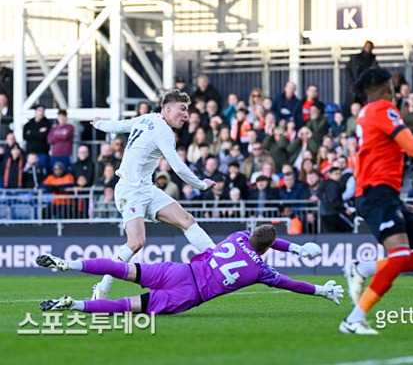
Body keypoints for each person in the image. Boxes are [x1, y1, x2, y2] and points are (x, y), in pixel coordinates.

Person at [338, 67, 413, 335]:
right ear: (387, 87)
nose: (395, 92)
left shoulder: (365, 112)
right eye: (393, 86)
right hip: (376, 192)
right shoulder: (382, 108)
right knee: (398, 256)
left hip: (385, 194)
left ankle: (361, 268)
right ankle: (354, 319)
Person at [36, 225, 343, 314]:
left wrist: (293, 247)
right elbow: (290, 283)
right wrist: (321, 289)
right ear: (267, 249)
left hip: (179, 271)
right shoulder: (261, 270)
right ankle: (72, 305)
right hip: (189, 293)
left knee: (123, 269)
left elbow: (264, 239)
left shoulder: (237, 236)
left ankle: (70, 264)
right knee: (125, 307)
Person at [90, 89, 217, 300]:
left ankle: (219, 260)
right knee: (136, 242)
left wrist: (99, 124)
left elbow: (120, 125)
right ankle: (101, 288)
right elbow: (177, 166)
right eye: (182, 109)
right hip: (130, 189)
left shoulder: (147, 118)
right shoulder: (163, 130)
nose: (186, 115)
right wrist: (201, 185)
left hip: (146, 188)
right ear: (168, 108)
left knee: (186, 220)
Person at [318, 167, 354, 233]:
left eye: (340, 174)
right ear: (330, 174)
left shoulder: (324, 184)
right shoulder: (333, 186)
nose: (338, 176)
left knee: (331, 234)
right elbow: (333, 201)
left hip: (324, 214)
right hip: (333, 213)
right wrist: (344, 209)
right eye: (336, 174)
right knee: (350, 228)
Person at [346, 40, 378, 105]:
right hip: (357, 85)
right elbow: (349, 70)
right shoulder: (356, 58)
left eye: (369, 47)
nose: (368, 48)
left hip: (367, 86)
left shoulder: (373, 60)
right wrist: (352, 82)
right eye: (367, 47)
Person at [23, 104, 52, 170]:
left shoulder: (47, 123)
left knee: (42, 172)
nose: (41, 113)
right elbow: (25, 137)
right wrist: (39, 132)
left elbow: (44, 136)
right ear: (36, 111)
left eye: (43, 111)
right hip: (30, 153)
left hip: (42, 153)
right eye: (39, 111)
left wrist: (32, 133)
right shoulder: (29, 124)